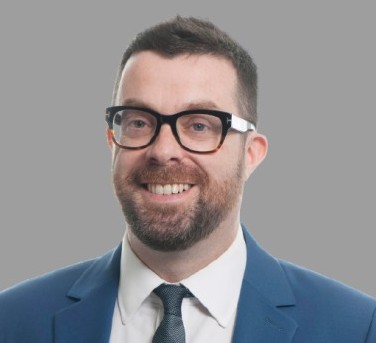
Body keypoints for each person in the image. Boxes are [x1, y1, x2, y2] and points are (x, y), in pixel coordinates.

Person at [0, 16, 375, 343]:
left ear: (251, 153)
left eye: (198, 125)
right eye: (139, 122)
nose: (163, 151)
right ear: (112, 140)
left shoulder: (356, 328)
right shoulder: (13, 321)